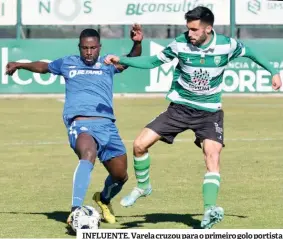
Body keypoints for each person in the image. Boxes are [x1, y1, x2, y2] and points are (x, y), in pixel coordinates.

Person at [105, 7, 282, 229]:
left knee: (212, 157)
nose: (190, 33)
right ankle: (143, 187)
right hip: (179, 109)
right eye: (188, 29)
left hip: (209, 113)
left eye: (195, 29)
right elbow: (152, 62)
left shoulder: (227, 45)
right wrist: (122, 60)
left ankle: (209, 210)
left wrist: (273, 71)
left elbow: (253, 53)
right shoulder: (180, 43)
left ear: (208, 29)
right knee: (139, 145)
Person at [5, 25, 143, 226]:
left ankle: (103, 199)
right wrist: (19, 64)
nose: (89, 52)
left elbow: (132, 58)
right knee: (88, 153)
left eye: (93, 48)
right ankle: (75, 212)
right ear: (79, 47)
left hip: (107, 126)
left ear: (99, 47)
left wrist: (137, 43)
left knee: (120, 175)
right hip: (80, 124)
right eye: (85, 48)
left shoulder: (108, 64)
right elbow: (43, 67)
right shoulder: (67, 63)